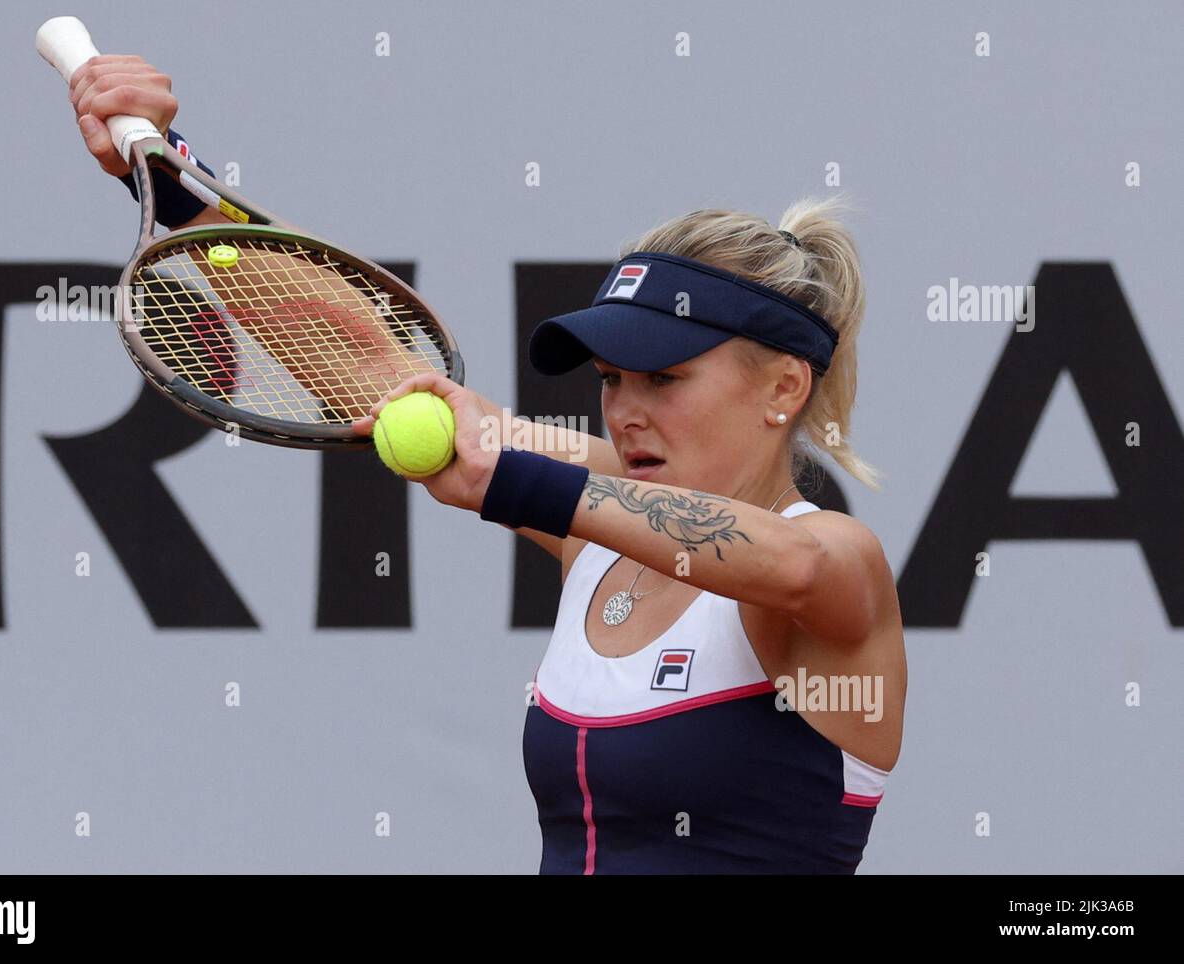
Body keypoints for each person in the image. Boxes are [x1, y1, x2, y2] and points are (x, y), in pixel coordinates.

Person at [69, 55, 906, 875]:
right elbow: (364, 364)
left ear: (784, 388)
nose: (626, 410)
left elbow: (788, 566)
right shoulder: (602, 520)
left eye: (666, 377)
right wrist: (175, 184)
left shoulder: (835, 563)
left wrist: (516, 476)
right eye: (612, 380)